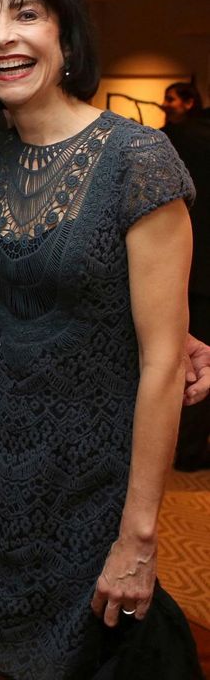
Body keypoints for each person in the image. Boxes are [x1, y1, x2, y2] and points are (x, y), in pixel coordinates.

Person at [0, 0, 196, 679]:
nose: (3, 37)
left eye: (26, 14)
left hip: (92, 477)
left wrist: (138, 538)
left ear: (67, 36)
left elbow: (163, 362)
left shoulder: (139, 159)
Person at [162, 81, 210, 470]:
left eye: (173, 97)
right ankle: (190, 450)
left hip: (175, 265)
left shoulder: (163, 141)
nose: (166, 104)